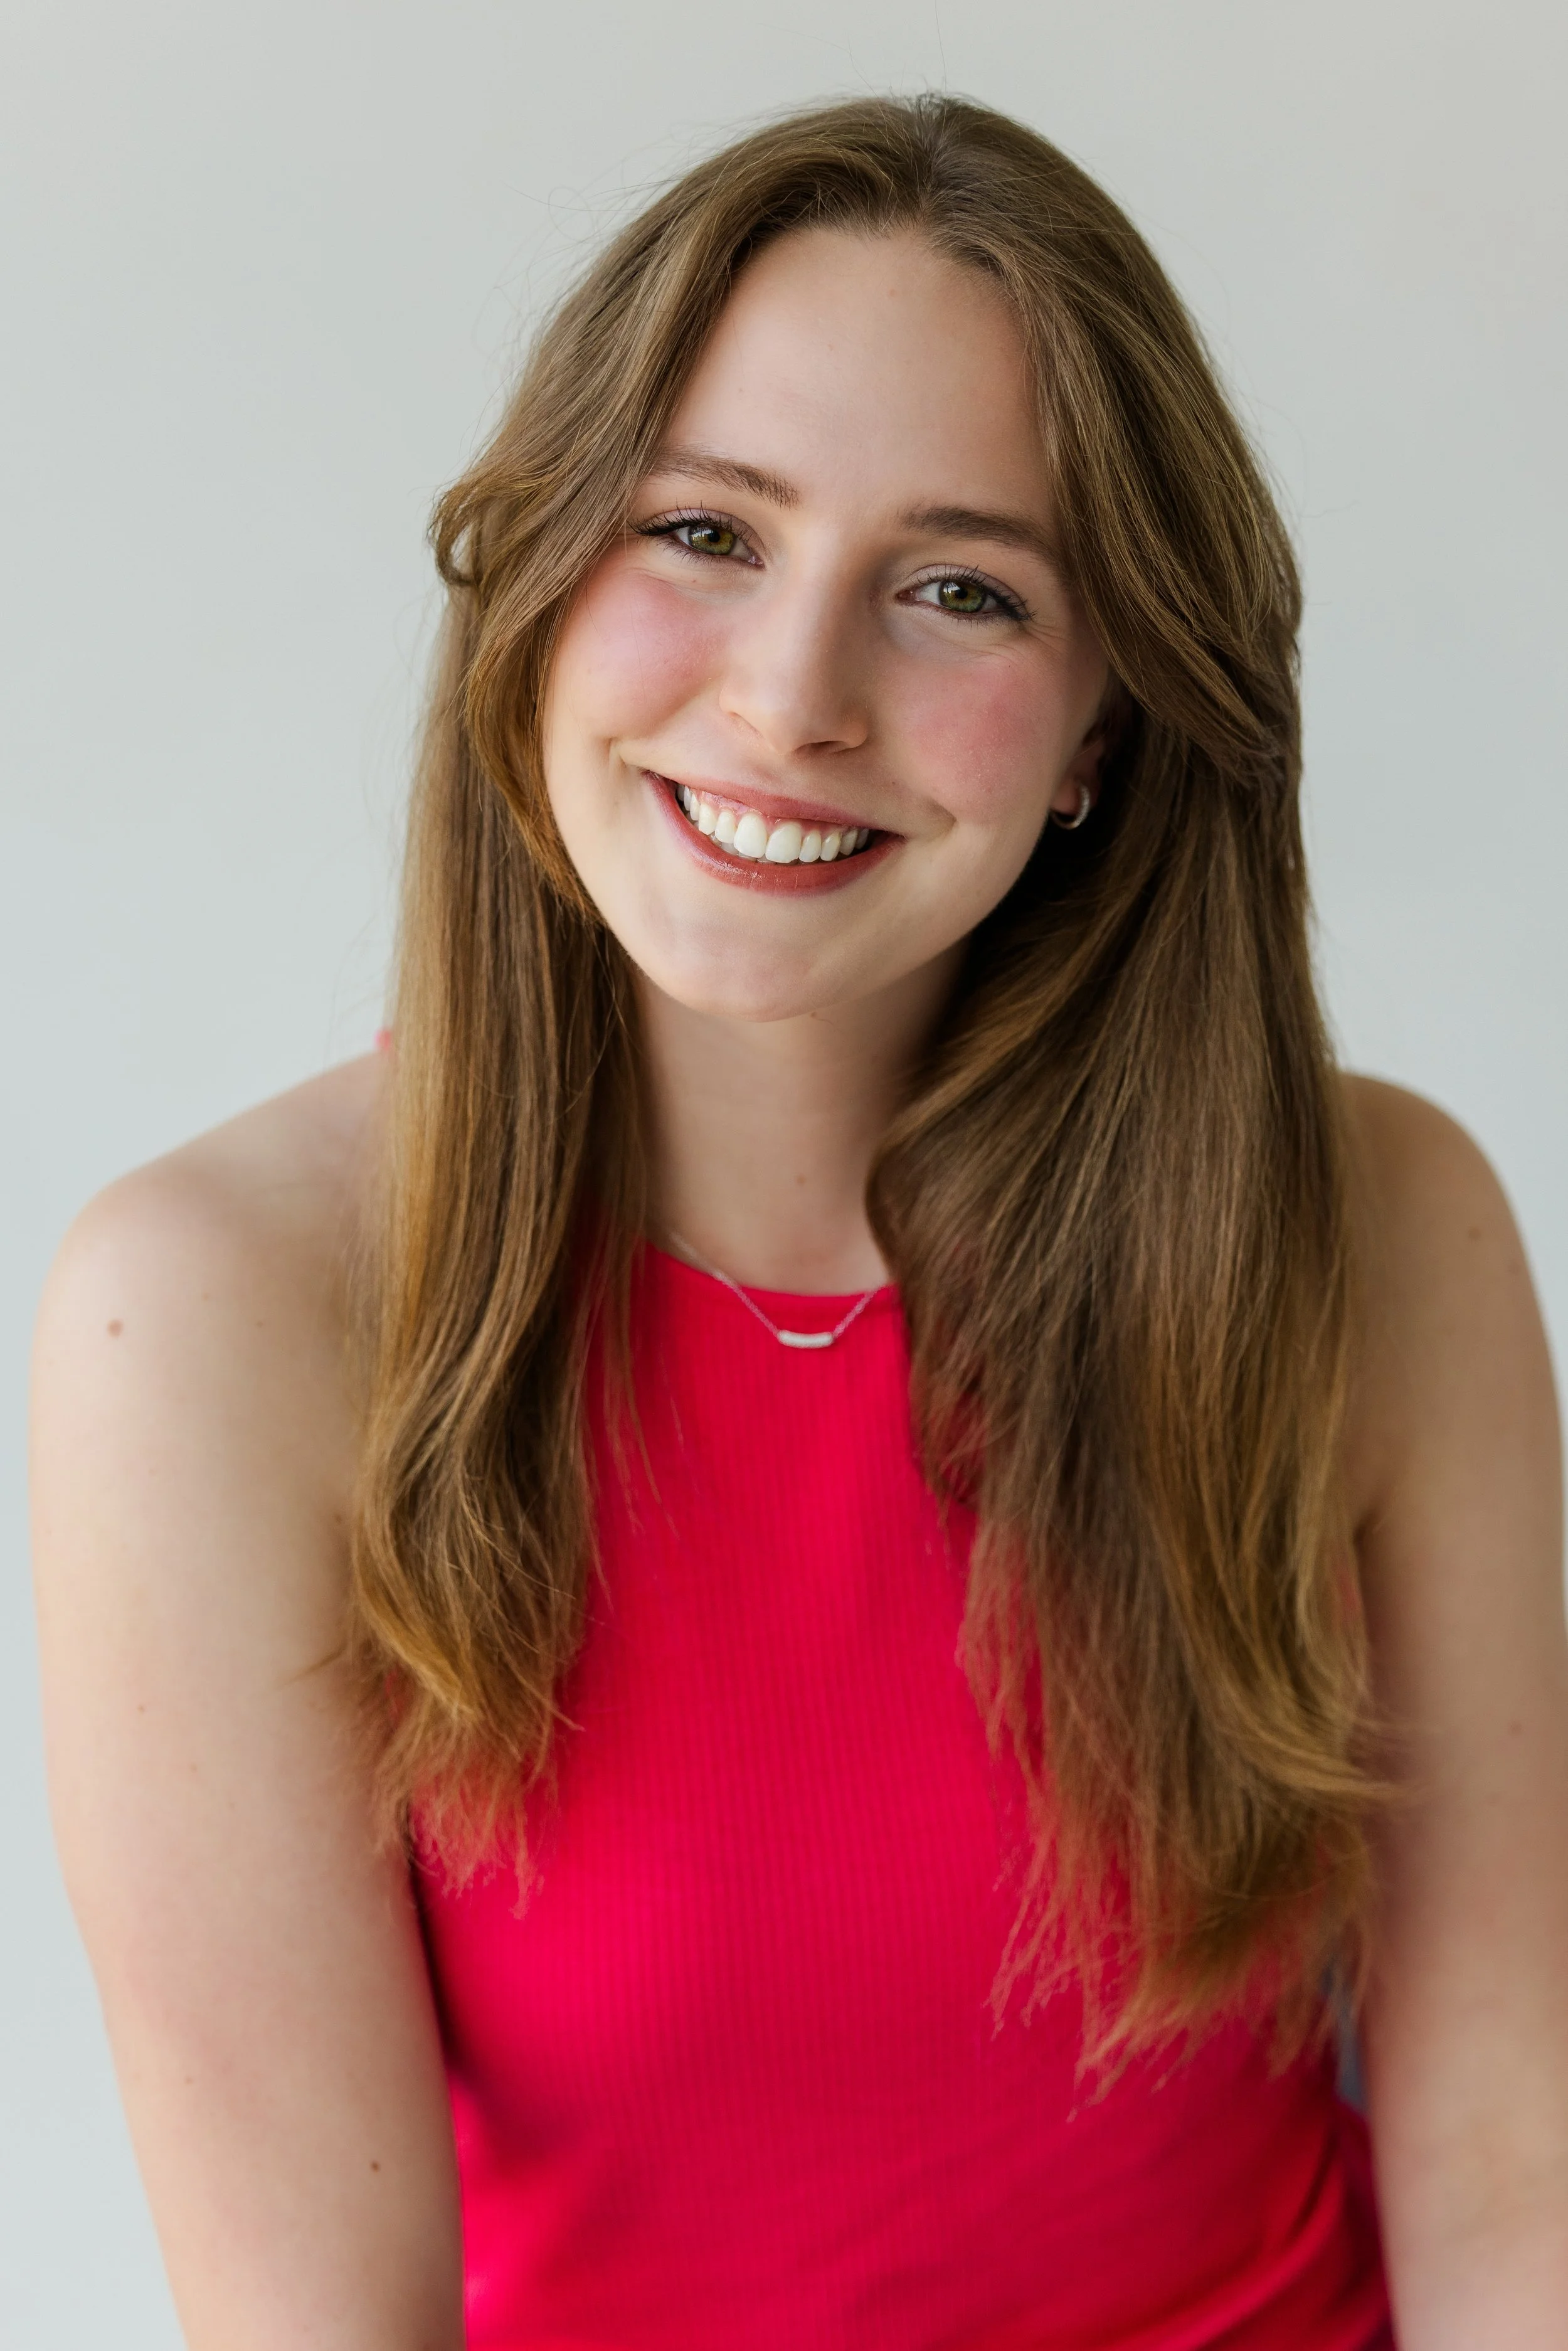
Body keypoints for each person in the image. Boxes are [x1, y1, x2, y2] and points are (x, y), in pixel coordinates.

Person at [30, 93, 1568, 2351]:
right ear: (539, 589)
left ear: (1101, 730)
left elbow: (1509, 2157)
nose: (788, 697)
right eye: (703, 531)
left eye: (959, 590)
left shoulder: (1379, 1227)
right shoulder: (208, 1321)